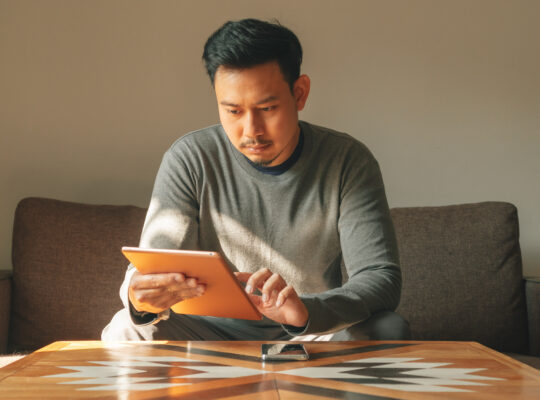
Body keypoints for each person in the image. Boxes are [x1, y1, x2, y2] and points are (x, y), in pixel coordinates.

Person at [102, 18, 410, 342]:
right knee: (126, 327)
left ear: (300, 93)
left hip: (310, 330)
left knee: (388, 329)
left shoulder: (348, 161)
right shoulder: (190, 158)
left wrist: (304, 312)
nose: (251, 131)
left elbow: (380, 278)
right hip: (208, 332)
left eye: (267, 107)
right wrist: (141, 299)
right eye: (233, 111)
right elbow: (155, 266)